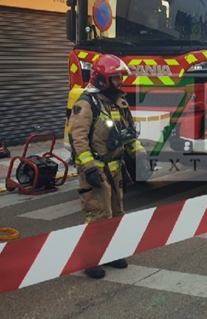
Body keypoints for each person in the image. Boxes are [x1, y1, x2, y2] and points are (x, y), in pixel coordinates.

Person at [69, 54, 149, 279]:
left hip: (115, 170)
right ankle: (90, 259)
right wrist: (89, 168)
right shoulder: (86, 104)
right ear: (103, 78)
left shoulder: (119, 103)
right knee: (98, 214)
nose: (120, 82)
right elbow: (79, 139)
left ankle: (113, 253)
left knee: (116, 213)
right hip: (95, 170)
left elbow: (128, 135)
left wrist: (140, 154)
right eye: (115, 78)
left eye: (120, 77)